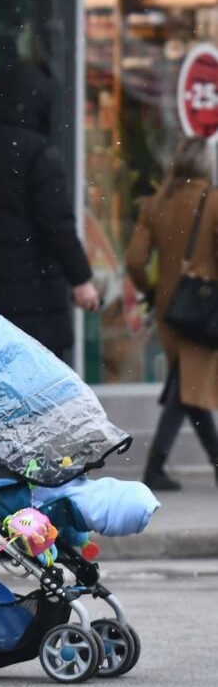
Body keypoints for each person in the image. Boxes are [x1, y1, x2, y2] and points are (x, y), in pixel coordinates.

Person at [0, 61, 100, 362]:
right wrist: (82, 280)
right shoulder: (38, 153)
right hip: (35, 303)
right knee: (43, 393)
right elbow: (58, 225)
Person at [124, 137, 218, 491]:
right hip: (204, 306)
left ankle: (160, 467)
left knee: (185, 387)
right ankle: (154, 468)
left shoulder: (155, 204)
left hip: (170, 309)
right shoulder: (213, 201)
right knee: (187, 388)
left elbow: (134, 260)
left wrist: (151, 290)